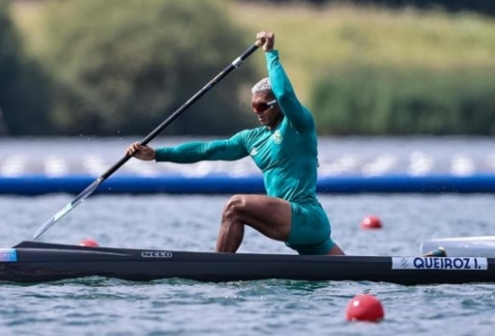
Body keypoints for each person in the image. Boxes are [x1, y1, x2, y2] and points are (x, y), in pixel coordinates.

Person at [126, 31, 345, 256]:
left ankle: (216, 270)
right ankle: (222, 269)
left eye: (262, 106)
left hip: (305, 216)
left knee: (235, 207)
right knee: (350, 274)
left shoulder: (298, 125)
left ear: (277, 104)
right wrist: (157, 154)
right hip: (298, 230)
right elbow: (207, 150)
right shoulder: (252, 138)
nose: (256, 112)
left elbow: (286, 95)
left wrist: (270, 53)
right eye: (253, 107)